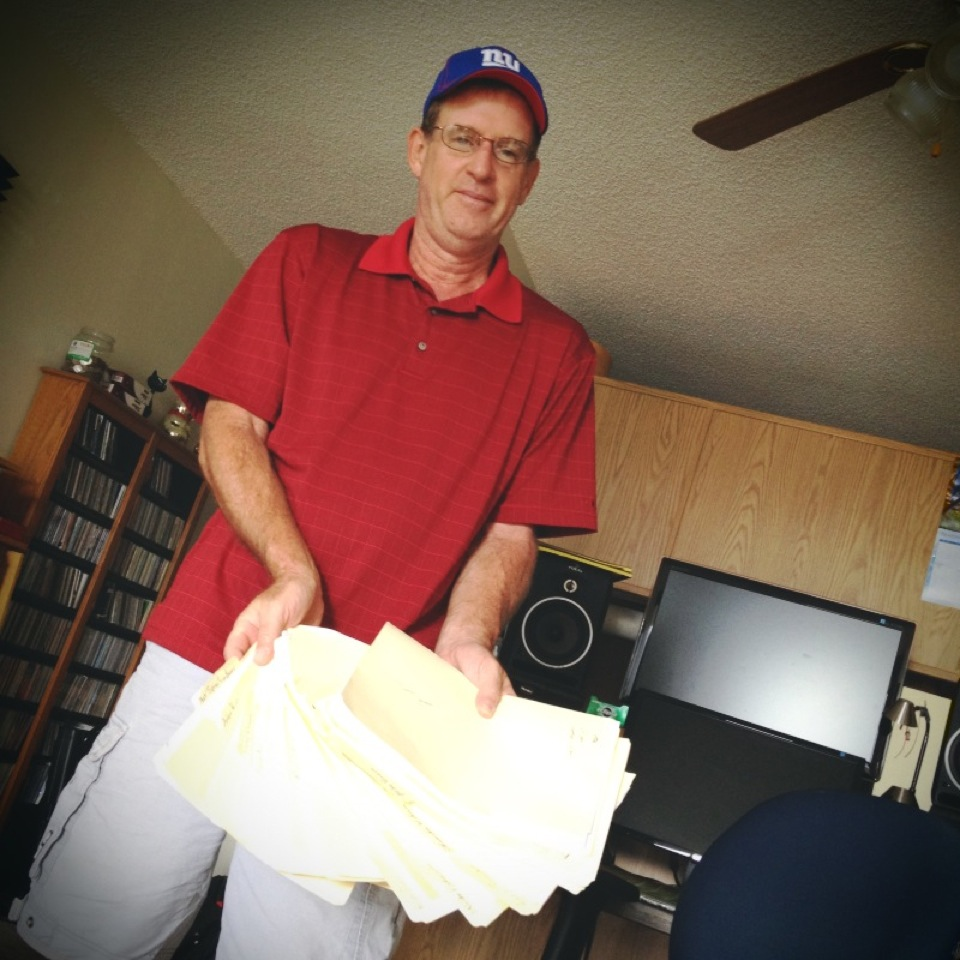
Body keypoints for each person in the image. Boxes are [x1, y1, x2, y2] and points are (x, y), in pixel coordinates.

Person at [14, 44, 597, 960]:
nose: (482, 167)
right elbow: (228, 429)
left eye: (510, 151)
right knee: (92, 932)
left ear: (528, 179)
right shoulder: (304, 260)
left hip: (378, 712)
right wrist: (294, 574)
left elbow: (512, 528)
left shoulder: (560, 353)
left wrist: (469, 637)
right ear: (418, 149)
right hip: (218, 650)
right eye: (463, 138)